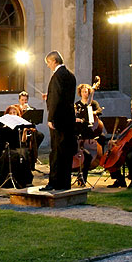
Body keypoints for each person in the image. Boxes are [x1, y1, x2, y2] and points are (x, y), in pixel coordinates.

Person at [41, 50, 77, 191]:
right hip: (68, 118)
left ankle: (54, 182)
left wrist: (51, 118)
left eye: (49, 63)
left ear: (54, 61)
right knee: (66, 152)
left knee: (56, 151)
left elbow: (56, 99)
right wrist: (49, 97)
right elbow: (63, 97)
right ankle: (64, 183)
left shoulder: (57, 76)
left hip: (59, 120)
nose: (48, 66)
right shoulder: (70, 76)